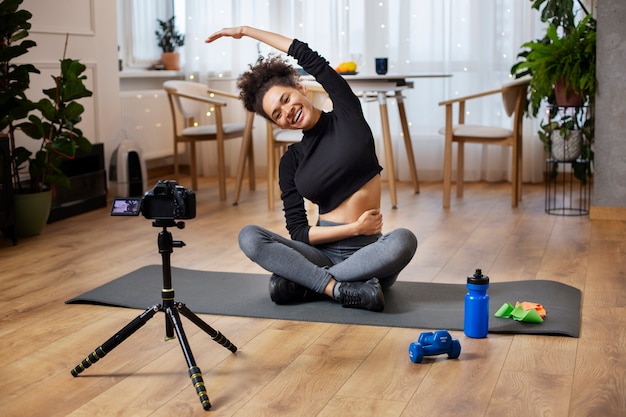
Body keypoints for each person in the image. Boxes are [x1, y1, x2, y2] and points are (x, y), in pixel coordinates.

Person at [206, 26, 417, 312]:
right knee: (250, 236)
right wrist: (355, 227)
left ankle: (308, 284)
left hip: (370, 254)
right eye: (277, 114)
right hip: (321, 254)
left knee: (403, 241)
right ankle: (339, 289)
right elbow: (299, 233)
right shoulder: (290, 161)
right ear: (277, 124)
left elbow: (303, 53)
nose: (287, 111)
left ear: (301, 88)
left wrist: (246, 31)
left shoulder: (347, 113)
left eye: (286, 99)